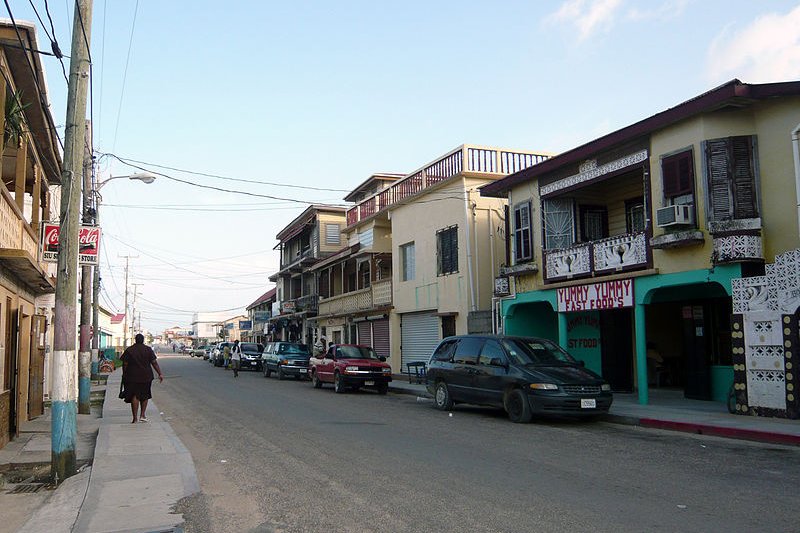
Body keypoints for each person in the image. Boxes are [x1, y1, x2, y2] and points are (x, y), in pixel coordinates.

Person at [121, 333, 163, 423]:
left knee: (135, 396)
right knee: (145, 395)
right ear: (143, 340)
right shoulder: (148, 350)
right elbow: (154, 362)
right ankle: (143, 415)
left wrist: (124, 374)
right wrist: (160, 373)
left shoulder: (129, 350)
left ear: (135, 340)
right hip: (146, 376)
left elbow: (125, 364)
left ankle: (135, 418)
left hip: (132, 376)